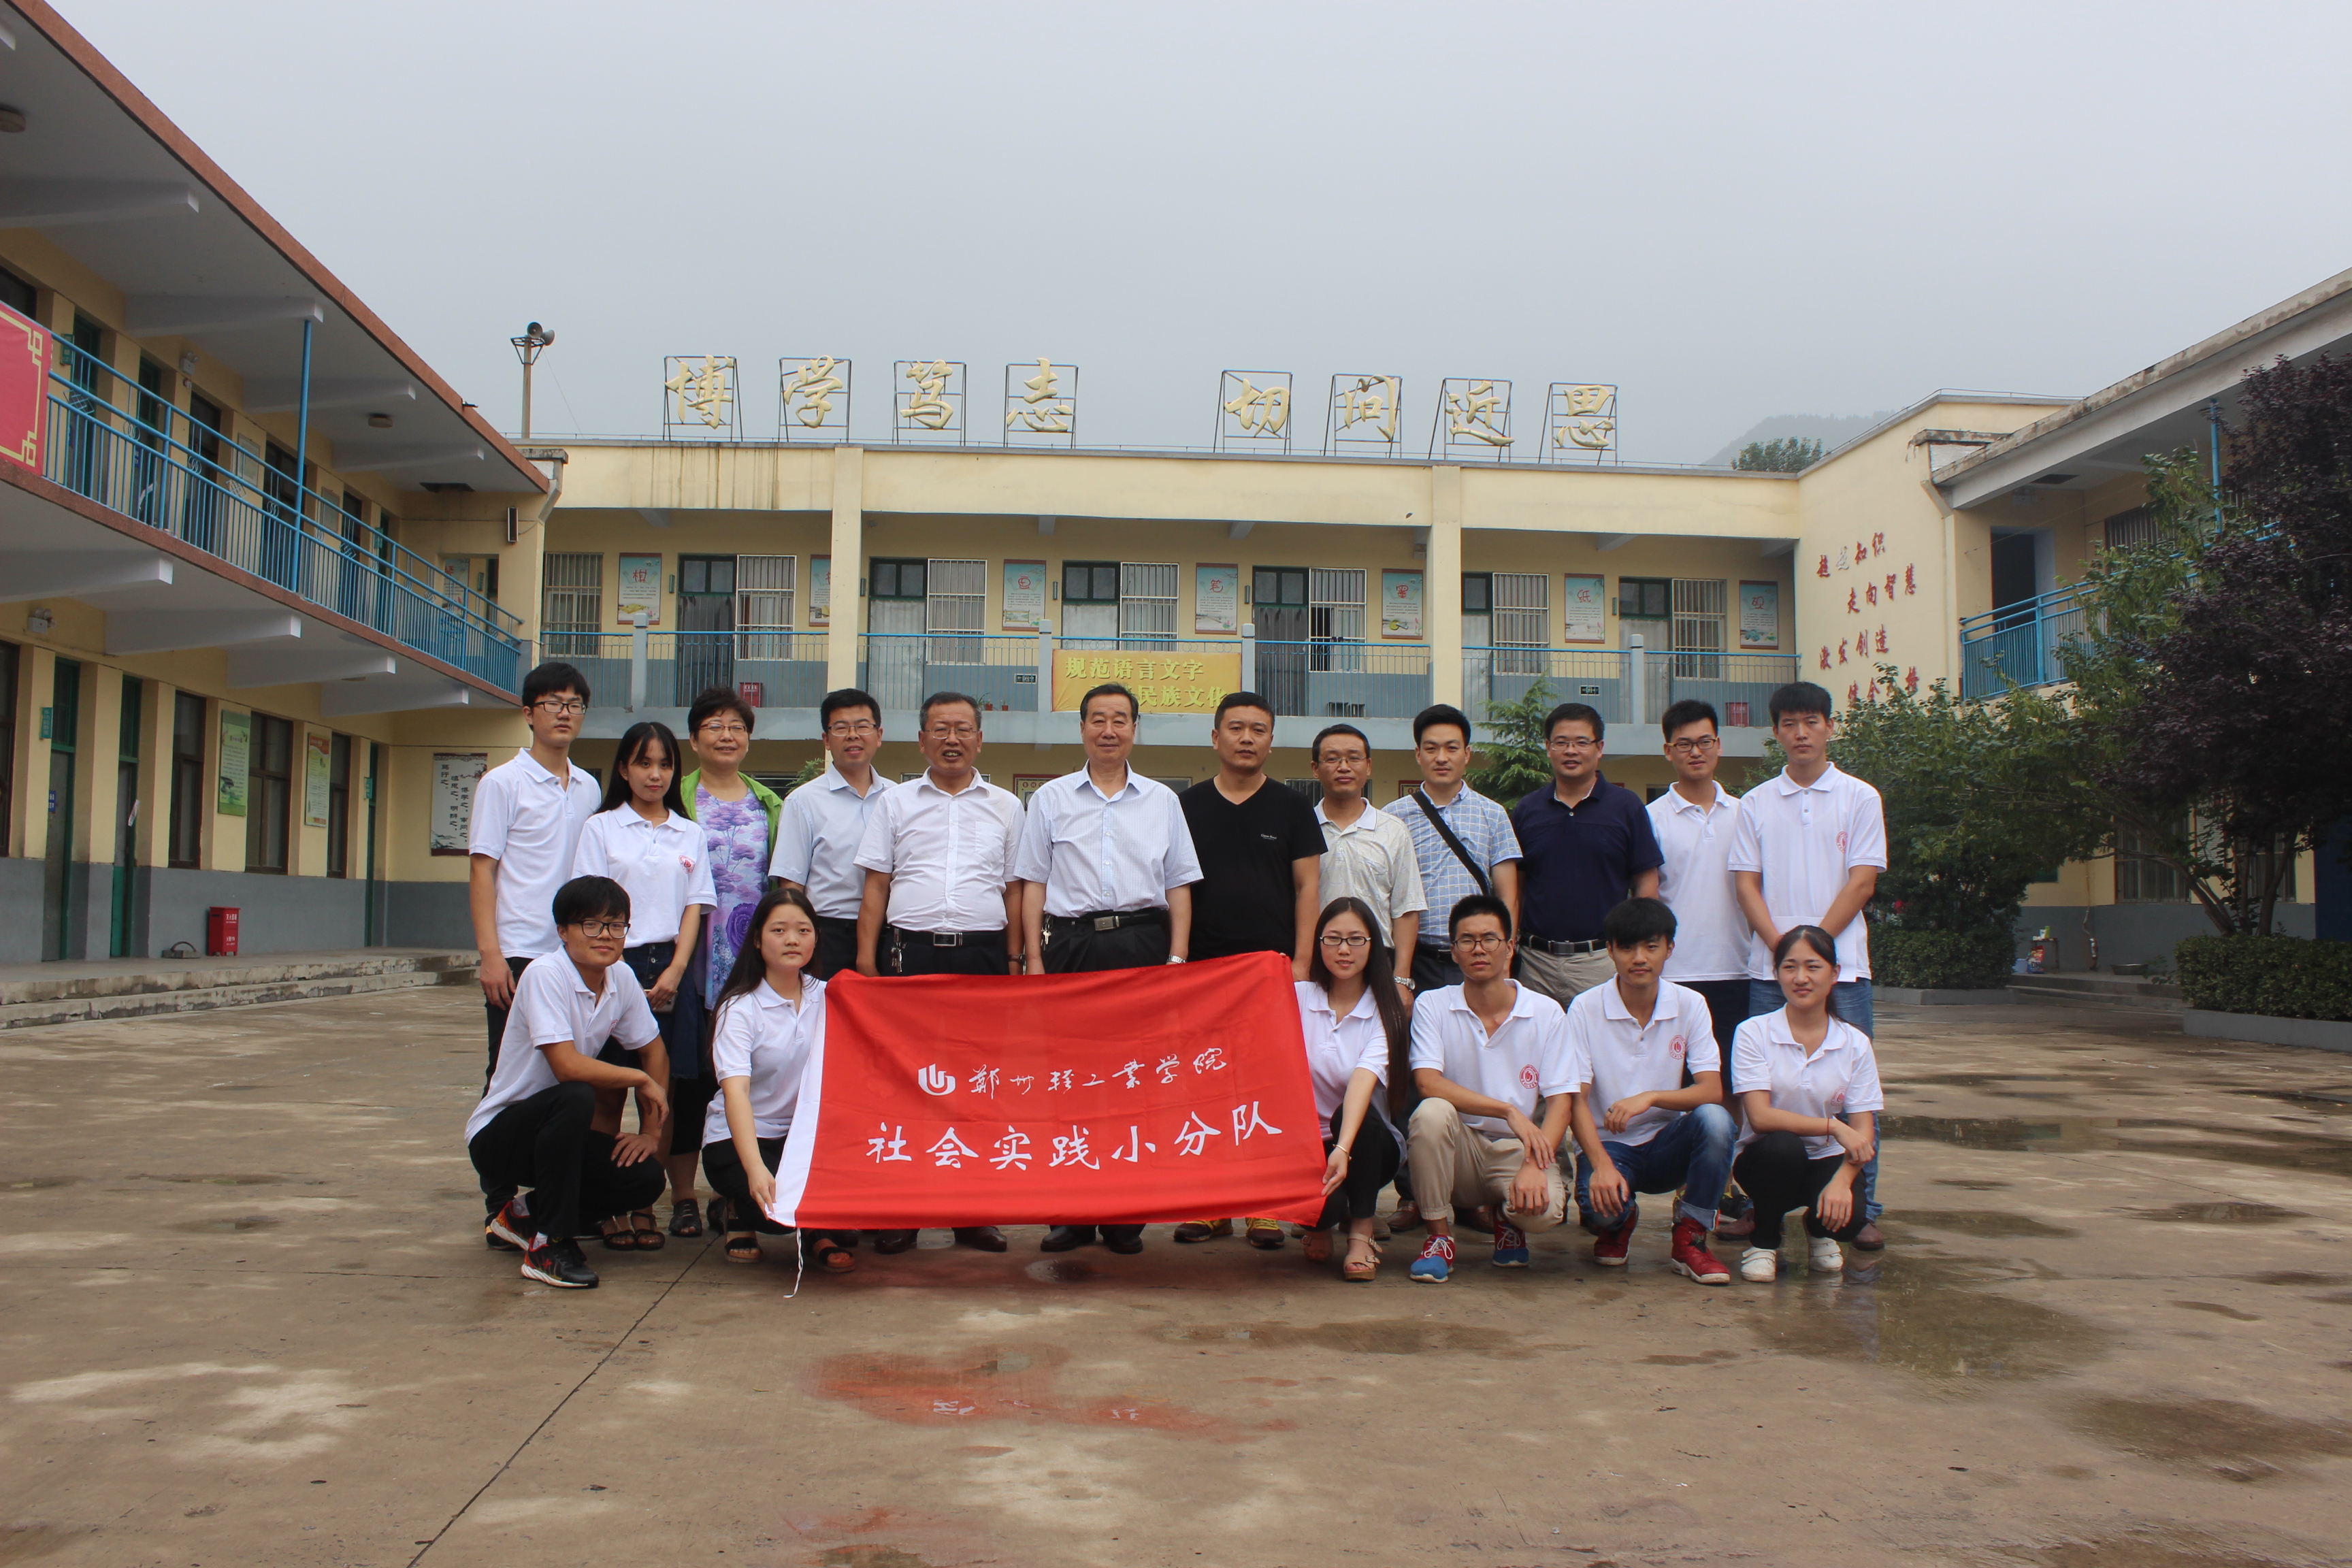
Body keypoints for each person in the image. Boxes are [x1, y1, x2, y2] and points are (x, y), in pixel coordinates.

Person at [1015, 683, 1202, 1256]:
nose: (1108, 730)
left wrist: (1176, 961)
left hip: (1140, 945)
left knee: (1133, 1083)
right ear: (1082, 729)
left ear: (1135, 730)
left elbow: (1179, 885)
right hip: (1070, 946)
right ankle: (1071, 1214)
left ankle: (1125, 1214)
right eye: (1098, 719)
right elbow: (1033, 883)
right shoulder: (1050, 799)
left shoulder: (1162, 801)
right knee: (1069, 1083)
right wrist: (1034, 961)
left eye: (1120, 719)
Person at [853, 690, 1023, 1254]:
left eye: (963, 729)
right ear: (922, 740)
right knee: (909, 1085)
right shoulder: (895, 803)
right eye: (941, 730)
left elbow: (1015, 890)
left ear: (980, 739)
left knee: (977, 1086)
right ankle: (904, 1212)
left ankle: (971, 1213)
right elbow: (876, 885)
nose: (953, 739)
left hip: (983, 958)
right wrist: (866, 960)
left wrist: (1016, 962)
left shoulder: (1007, 806)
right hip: (912, 956)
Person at [1728, 681, 1888, 1250]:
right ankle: (1761, 1207)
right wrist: (1784, 955)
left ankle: (1862, 1205)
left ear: (1829, 727)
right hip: (1768, 971)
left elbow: (1862, 881)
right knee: (1764, 1095)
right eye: (1790, 724)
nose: (1801, 733)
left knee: (1856, 1094)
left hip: (1846, 969)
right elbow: (1746, 885)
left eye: (1812, 722)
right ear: (1776, 732)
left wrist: (1815, 953)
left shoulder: (1859, 797)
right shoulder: (1755, 803)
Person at [1174, 691, 1324, 1249]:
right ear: (1215, 738)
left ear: (1271, 741)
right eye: (1235, 728)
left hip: (1271, 972)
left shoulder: (1293, 807)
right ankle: (1212, 1205)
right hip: (1203, 973)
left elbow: (1309, 887)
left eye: (1258, 729)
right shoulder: (1185, 807)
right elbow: (1175, 888)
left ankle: (1264, 1206)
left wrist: (1301, 963)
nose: (1246, 738)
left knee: (1266, 1088)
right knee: (1206, 1088)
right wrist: (1178, 962)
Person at [470, 875, 670, 1289]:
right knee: (576, 1095)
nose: (606, 935)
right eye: (591, 925)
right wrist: (638, 1079)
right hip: (502, 1136)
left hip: (561, 1135)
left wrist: (651, 1133)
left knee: (644, 1177)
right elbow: (565, 1066)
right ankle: (550, 1245)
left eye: (616, 925)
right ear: (562, 931)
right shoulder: (546, 974)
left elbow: (655, 1051)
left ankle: (521, 1215)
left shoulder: (621, 978)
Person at [467, 662, 601, 1246]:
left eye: (574, 704)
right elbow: (483, 870)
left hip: (574, 956)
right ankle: (500, 1203)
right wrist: (490, 953)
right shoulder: (502, 783)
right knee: (508, 1072)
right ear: (528, 713)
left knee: (566, 1076)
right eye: (552, 703)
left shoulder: (589, 787)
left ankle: (549, 1197)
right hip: (520, 953)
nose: (564, 713)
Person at [570, 720, 715, 1250]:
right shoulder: (601, 828)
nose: (655, 774)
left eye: (665, 764)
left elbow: (694, 907)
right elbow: (591, 905)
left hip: (670, 969)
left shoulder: (689, 833)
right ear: (624, 770)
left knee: (661, 1096)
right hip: (613, 965)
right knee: (607, 1096)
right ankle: (608, 1204)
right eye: (644, 763)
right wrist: (613, 970)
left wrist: (676, 970)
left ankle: (644, 1202)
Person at [1382, 702, 1524, 1233]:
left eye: (1452, 748)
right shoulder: (1395, 817)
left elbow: (1507, 890)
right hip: (1417, 961)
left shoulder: (1492, 814)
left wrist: (1505, 957)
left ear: (1468, 754)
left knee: (1470, 1075)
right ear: (1417, 755)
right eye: (1431, 748)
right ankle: (1414, 1193)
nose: (1441, 757)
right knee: (1411, 1078)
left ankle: (1470, 1194)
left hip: (1478, 964)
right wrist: (1400, 974)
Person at [1403, 894, 1578, 1282]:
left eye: (1489, 939)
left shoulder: (1546, 1012)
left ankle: (1507, 1219)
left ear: (1510, 947)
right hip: (1459, 1149)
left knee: (1545, 1210)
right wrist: (1507, 1110)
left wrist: (1534, 1166)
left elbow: (1561, 1101)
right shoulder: (1433, 1004)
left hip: (1516, 1150)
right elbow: (1428, 1082)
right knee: (1431, 1113)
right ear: (1454, 951)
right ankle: (1439, 1239)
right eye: (1467, 940)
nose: (1478, 949)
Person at [1563, 897, 1735, 1286]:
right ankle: (1619, 1223)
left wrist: (1651, 1097)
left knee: (1716, 1120)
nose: (1639, 958)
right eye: (1627, 947)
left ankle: (1691, 1238)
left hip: (1665, 1144)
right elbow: (1577, 1100)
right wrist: (1601, 1166)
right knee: (1600, 1208)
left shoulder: (1690, 1004)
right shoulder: (1585, 1008)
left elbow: (1711, 1090)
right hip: (1609, 1146)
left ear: (1670, 949)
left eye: (1651, 946)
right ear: (1610, 950)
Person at [670, 687, 788, 1240]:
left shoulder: (768, 802)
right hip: (690, 956)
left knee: (742, 1079)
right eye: (714, 726)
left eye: (737, 727)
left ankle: (731, 1195)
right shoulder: (677, 795)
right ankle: (683, 1196)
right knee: (689, 1083)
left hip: (746, 960)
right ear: (694, 739)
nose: (726, 736)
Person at [700, 886, 856, 1273]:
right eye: (779, 930)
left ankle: (815, 1230)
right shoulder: (740, 1008)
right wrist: (754, 1168)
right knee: (770, 1209)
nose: (792, 940)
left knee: (852, 1213)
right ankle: (736, 1210)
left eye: (803, 930)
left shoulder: (833, 996)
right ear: (757, 939)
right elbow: (736, 1093)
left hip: (803, 1137)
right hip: (741, 1138)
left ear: (816, 938)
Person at [1648, 697, 1756, 1237]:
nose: (1696, 752)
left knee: (1730, 1088)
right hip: (1676, 976)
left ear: (1720, 745)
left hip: (1738, 970)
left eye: (1705, 741)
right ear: (1668, 751)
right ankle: (1685, 1190)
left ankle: (1720, 1187)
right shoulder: (1652, 818)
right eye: (1685, 744)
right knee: (1684, 1088)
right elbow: (1648, 895)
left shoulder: (1746, 814)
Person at [1729, 925, 1883, 1281]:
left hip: (1826, 1159)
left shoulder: (1855, 1043)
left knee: (1852, 1219)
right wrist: (1833, 1126)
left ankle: (1819, 1230)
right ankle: (1764, 1241)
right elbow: (1760, 1117)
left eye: (1813, 967)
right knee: (1783, 1146)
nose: (1801, 978)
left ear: (1835, 973)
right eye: (1790, 967)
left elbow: (1864, 1132)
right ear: (1776, 973)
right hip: (1766, 1159)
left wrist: (1843, 1181)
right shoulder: (1754, 1032)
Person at [1511, 702, 1663, 1008]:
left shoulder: (1626, 807)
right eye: (1561, 742)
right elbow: (1516, 888)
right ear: (1548, 748)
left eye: (1582, 742)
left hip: (1601, 961)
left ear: (1599, 748)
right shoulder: (1528, 810)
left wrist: (1636, 947)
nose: (1571, 751)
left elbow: (1646, 884)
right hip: (1535, 963)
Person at [1296, 898, 1407, 1281]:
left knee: (1352, 1115)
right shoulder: (1298, 997)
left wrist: (1341, 1149)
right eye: (1333, 939)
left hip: (1367, 1147)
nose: (1344, 949)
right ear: (1319, 944)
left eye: (1356, 939)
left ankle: (1362, 1230)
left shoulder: (1385, 1010)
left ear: (1373, 945)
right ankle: (1321, 1224)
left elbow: (1362, 1079)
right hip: (1309, 1145)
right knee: (1322, 1208)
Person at [772, 687, 892, 982]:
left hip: (890, 933)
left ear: (879, 735)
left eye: (863, 726)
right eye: (841, 728)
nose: (853, 735)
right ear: (826, 740)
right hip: (828, 934)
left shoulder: (899, 798)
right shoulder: (803, 802)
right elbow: (791, 884)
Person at [1309, 723, 1425, 997]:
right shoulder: (1302, 827)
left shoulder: (1393, 830)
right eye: (1332, 759)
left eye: (1354, 758)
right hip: (1317, 963)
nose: (1344, 767)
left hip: (1378, 963)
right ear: (1315, 769)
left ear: (1369, 766)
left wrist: (1401, 979)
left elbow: (1406, 909)